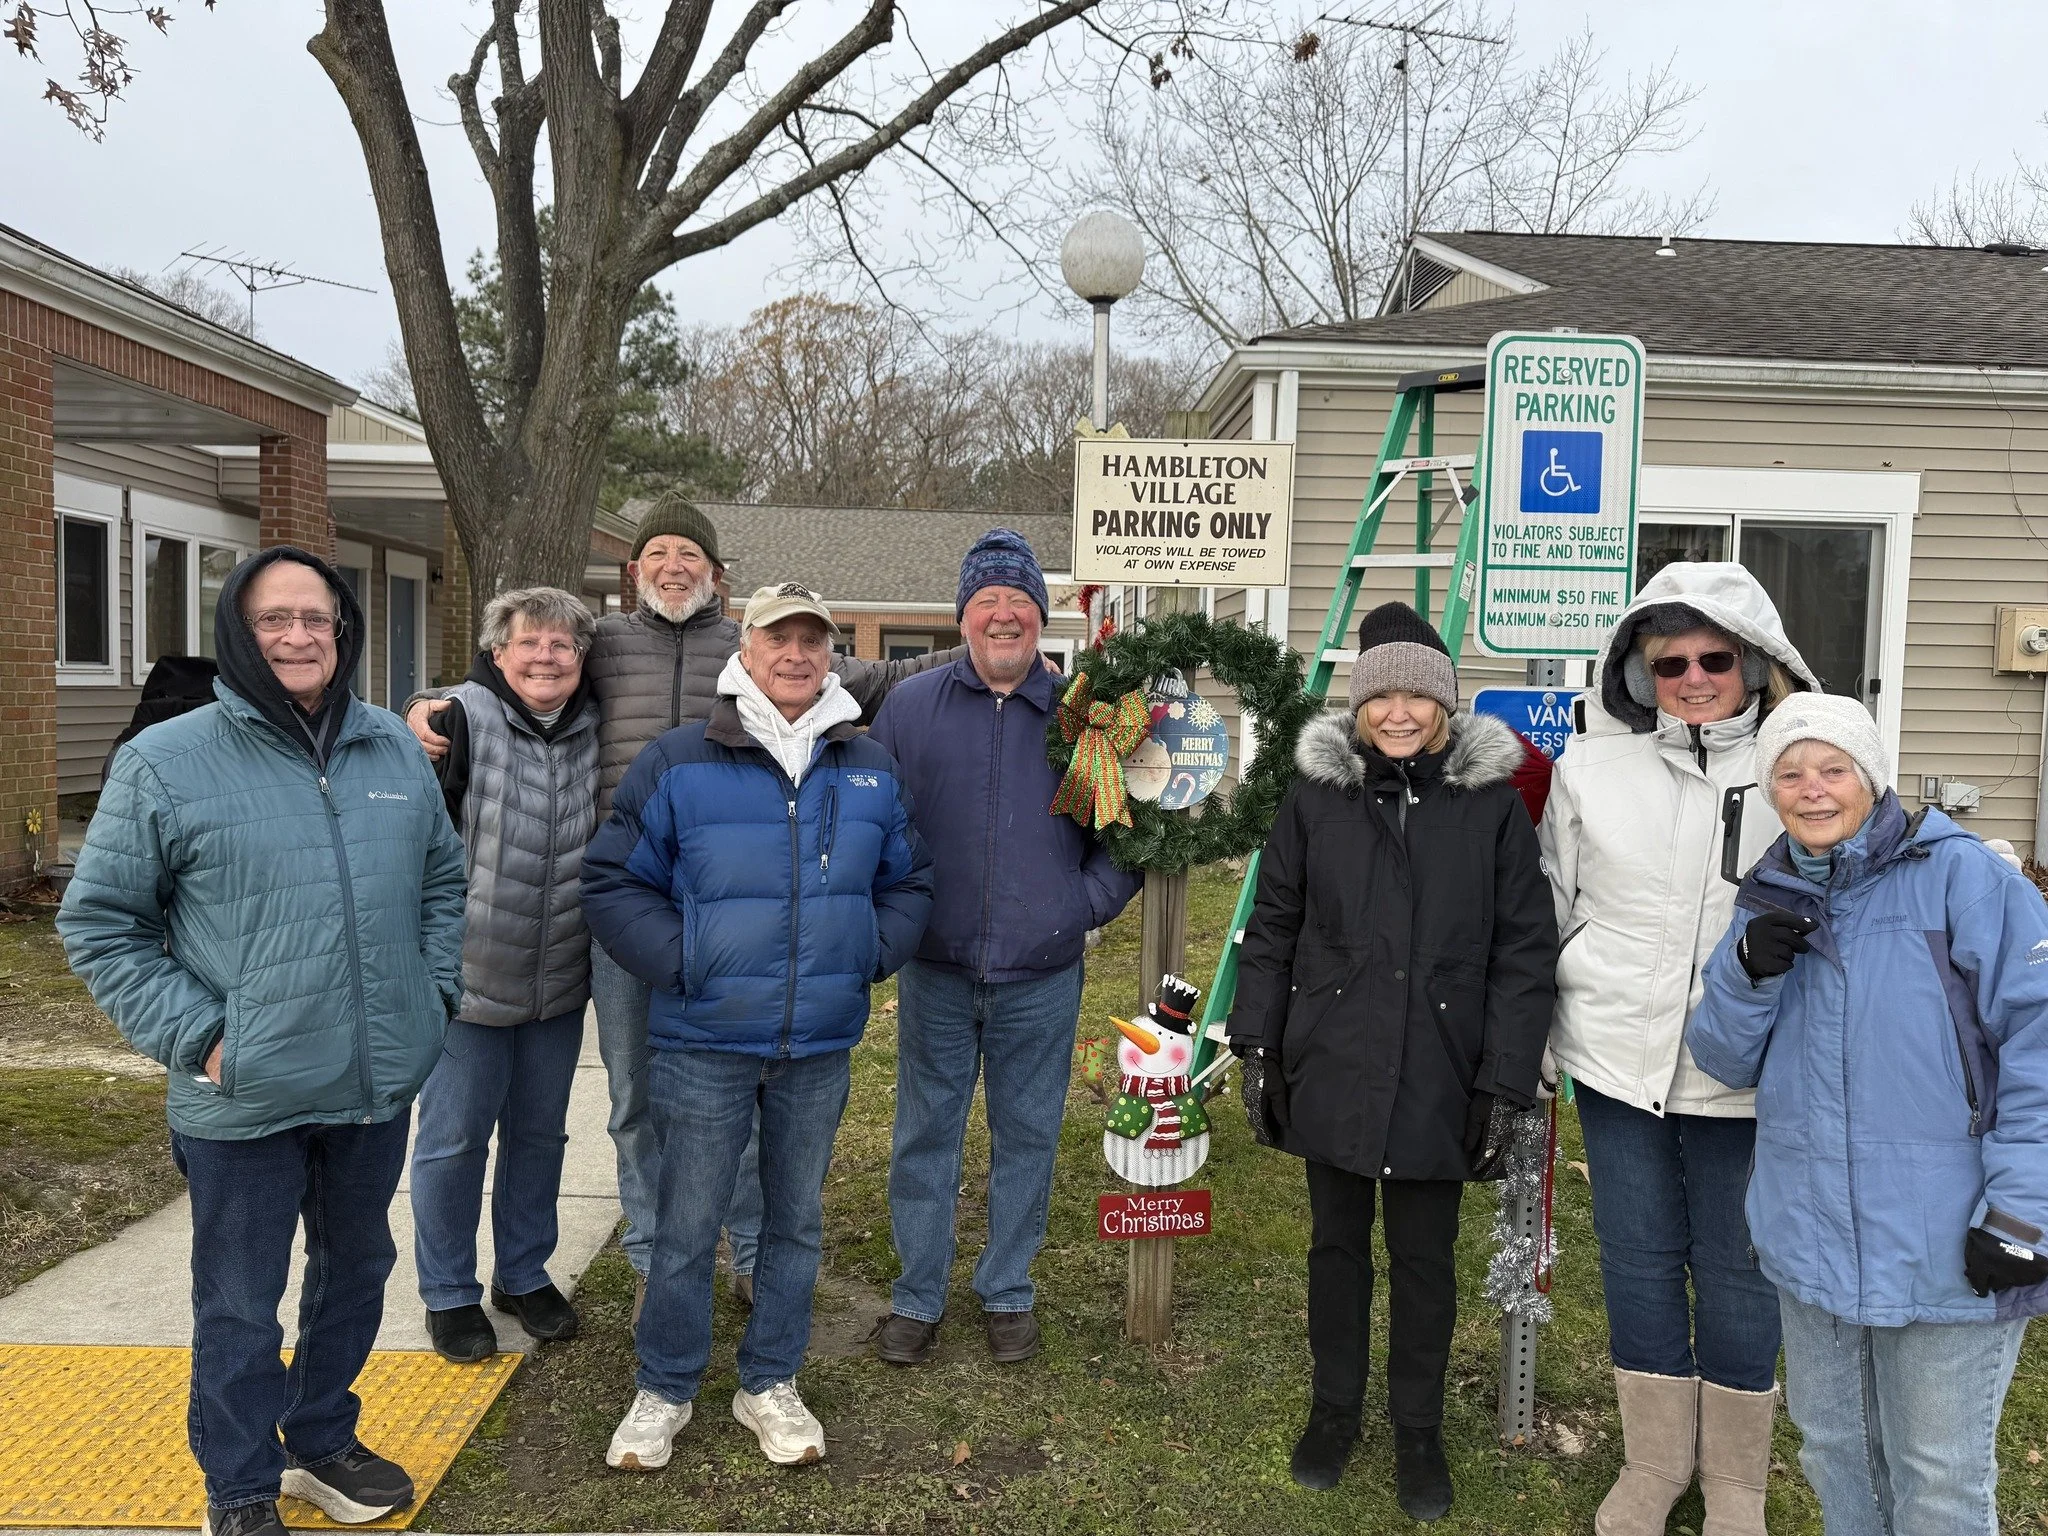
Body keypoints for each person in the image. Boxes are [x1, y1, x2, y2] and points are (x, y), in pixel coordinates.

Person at [406, 494, 951, 1317]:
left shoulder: (760, 648)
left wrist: (988, 660)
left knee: (744, 1099)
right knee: (635, 1100)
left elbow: (887, 676)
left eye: (689, 554)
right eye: (657, 551)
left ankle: (747, 1253)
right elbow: (519, 673)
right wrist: (428, 701)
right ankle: (655, 1257)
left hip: (743, 913)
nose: (672, 565)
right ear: (634, 572)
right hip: (627, 907)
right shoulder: (605, 646)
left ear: (717, 577)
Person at [57, 548, 466, 1536]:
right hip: (240, 1095)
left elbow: (440, 885)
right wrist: (201, 1039)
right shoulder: (169, 758)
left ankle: (320, 1437)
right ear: (240, 633)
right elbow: (100, 923)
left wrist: (431, 996)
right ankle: (240, 1486)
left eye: (314, 619)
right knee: (241, 1306)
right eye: (273, 619)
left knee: (355, 1274)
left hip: (370, 1085)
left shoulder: (391, 751)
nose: (296, 636)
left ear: (343, 631)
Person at [581, 581, 933, 1471]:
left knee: (794, 1224)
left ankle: (769, 1378)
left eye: (814, 641)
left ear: (830, 655)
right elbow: (615, 883)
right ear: (748, 646)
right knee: (688, 1222)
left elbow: (909, 880)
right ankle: (664, 1386)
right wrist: (689, 962)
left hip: (817, 1044)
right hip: (704, 1043)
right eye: (781, 637)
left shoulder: (869, 766)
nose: (797, 655)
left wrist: (863, 953)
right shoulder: (678, 761)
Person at [1225, 601, 1557, 1520]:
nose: (1400, 712)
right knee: (1336, 1248)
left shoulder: (1489, 806)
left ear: (1445, 706)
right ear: (1358, 707)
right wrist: (1257, 1042)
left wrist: (1504, 1077)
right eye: (1383, 696)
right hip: (1332, 1054)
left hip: (1442, 1066)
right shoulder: (1315, 799)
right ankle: (1334, 1408)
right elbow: (1275, 925)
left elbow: (1526, 949)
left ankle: (1418, 1425)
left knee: (1423, 1257)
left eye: (1419, 694)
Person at [1688, 695, 2048, 1536]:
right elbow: (1724, 1059)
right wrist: (1747, 971)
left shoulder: (1964, 879)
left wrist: (2024, 1212)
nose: (1812, 790)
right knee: (1836, 1456)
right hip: (1811, 1237)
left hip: (1946, 1243)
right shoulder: (1769, 893)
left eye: (1833, 769)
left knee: (1939, 1481)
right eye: (1790, 773)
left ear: (1871, 777)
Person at [1539, 562, 1820, 1536]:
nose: (1692, 677)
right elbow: (1547, 908)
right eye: (1669, 662)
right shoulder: (1587, 770)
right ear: (1636, 671)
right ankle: (1653, 1462)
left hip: (1746, 1077)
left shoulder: (1801, 771)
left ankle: (1734, 1479)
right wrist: (1537, 1044)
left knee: (1739, 1271)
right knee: (1637, 1261)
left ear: (1751, 662)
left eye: (1712, 657)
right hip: (1615, 1065)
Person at [866, 528, 1142, 1367]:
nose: (1002, 614)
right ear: (962, 617)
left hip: (1042, 974)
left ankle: (1007, 1286)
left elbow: (1118, 840)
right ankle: (918, 1293)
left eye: (1018, 600)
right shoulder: (910, 710)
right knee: (926, 1132)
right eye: (986, 600)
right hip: (938, 968)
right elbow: (875, 824)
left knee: (1027, 1132)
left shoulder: (1079, 716)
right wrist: (899, 918)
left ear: (1041, 617)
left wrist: (1076, 910)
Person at [409, 588, 601, 1364]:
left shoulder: (596, 724)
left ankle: (522, 1272)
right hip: (467, 979)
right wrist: (418, 708)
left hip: (558, 977)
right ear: (497, 654)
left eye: (562, 646)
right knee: (453, 1142)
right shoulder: (454, 721)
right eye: (530, 644)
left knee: (539, 1136)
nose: (547, 658)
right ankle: (448, 1292)